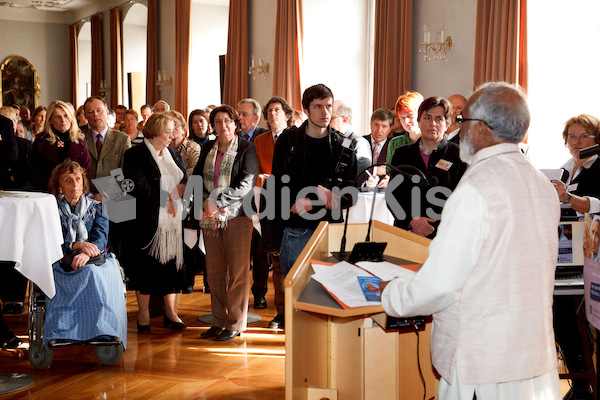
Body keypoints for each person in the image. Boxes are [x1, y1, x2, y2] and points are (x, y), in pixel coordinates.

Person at [380, 82, 562, 400]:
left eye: (462, 122)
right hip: (531, 353)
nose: (458, 130)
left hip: (482, 361)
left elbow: (441, 284)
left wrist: (391, 295)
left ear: (480, 129)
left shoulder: (476, 187)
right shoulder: (540, 183)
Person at [270, 83, 358, 329]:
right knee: (298, 294)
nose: (324, 112)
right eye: (318, 106)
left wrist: (316, 200)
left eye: (328, 106)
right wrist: (292, 205)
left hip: (331, 231)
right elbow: (276, 184)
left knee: (330, 296)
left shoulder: (344, 145)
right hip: (298, 230)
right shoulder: (289, 140)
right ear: (306, 109)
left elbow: (350, 194)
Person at [43, 160, 127, 348]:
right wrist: (77, 246)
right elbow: (50, 242)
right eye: (68, 180)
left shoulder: (97, 207)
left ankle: (105, 331)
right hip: (61, 260)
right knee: (83, 274)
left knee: (94, 273)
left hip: (95, 258)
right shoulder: (50, 211)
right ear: (59, 186)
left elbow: (101, 239)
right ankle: (62, 332)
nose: (75, 185)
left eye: (78, 179)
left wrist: (86, 254)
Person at [194, 105, 258, 341]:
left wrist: (217, 202)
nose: (223, 126)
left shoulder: (246, 148)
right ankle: (218, 319)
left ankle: (236, 322)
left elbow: (245, 184)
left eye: (227, 121)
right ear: (214, 126)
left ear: (235, 123)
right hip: (210, 218)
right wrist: (204, 203)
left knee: (237, 272)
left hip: (238, 217)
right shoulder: (209, 148)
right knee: (215, 272)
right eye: (218, 121)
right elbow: (197, 178)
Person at [123, 112, 188, 333]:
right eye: (168, 131)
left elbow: (184, 177)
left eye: (173, 131)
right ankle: (143, 315)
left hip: (172, 222)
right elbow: (138, 186)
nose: (172, 135)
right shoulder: (135, 154)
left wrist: (182, 187)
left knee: (170, 266)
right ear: (156, 131)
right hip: (145, 221)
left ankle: (171, 313)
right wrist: (166, 199)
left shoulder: (173, 153)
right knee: (145, 269)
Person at [550, 114, 600, 400]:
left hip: (592, 254)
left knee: (586, 320)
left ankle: (588, 383)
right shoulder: (566, 168)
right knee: (561, 316)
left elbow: (596, 204)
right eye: (572, 136)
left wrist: (567, 197)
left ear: (596, 138)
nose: (578, 142)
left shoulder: (599, 166)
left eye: (585, 136)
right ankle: (581, 384)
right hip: (565, 251)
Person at [388, 96, 466, 238]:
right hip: (406, 233)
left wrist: (431, 226)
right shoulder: (402, 154)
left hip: (445, 236)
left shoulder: (459, 156)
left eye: (439, 119)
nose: (432, 124)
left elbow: (462, 200)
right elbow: (393, 195)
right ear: (418, 121)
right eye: (427, 118)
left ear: (447, 124)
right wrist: (412, 221)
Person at [29, 100, 91, 191]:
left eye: (66, 115)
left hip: (74, 192)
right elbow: (34, 171)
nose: (63, 120)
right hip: (47, 192)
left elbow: (86, 171)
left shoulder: (80, 140)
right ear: (50, 120)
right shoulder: (41, 140)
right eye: (58, 117)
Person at [83, 96, 131, 201]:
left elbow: (125, 172)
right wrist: (89, 195)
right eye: (90, 112)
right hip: (86, 198)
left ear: (107, 112)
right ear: (85, 116)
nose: (95, 115)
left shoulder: (122, 139)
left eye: (99, 110)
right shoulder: (80, 138)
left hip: (113, 200)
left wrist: (106, 195)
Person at [330, 100, 372, 183]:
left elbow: (359, 175)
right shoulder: (329, 140)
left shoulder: (359, 143)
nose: (327, 122)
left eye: (331, 118)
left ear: (344, 120)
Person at [386, 92, 424, 166]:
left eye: (410, 116)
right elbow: (390, 171)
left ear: (421, 113)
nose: (406, 121)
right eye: (402, 118)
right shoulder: (395, 143)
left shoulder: (432, 142)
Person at [363, 108, 395, 188]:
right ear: (371, 124)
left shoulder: (394, 145)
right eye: (376, 125)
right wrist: (376, 171)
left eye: (384, 126)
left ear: (390, 129)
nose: (379, 130)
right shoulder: (360, 142)